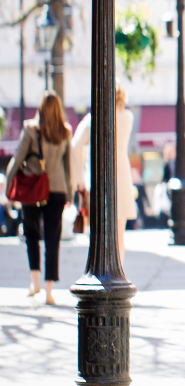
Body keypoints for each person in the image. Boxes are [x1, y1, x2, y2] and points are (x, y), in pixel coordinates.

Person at [10, 91, 73, 305]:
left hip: (33, 189)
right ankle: (49, 291)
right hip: (57, 189)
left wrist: (9, 183)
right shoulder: (65, 132)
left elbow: (18, 159)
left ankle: (34, 281)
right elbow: (68, 167)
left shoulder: (31, 129)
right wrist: (70, 193)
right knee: (53, 238)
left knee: (32, 233)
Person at [72, 85, 137, 263]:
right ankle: (119, 270)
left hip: (100, 177)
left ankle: (101, 267)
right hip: (122, 175)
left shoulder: (94, 119)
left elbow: (75, 145)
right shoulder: (128, 117)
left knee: (100, 230)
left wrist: (81, 176)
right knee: (119, 232)